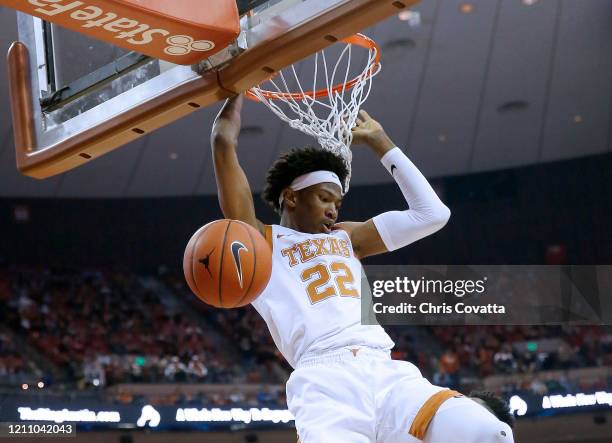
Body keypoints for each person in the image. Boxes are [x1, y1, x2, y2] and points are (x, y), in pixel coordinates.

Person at [211, 95, 515, 443]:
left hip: (385, 371)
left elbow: (433, 214)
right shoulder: (257, 243)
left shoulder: (348, 238)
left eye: (337, 204)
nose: (333, 211)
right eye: (325, 198)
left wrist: (379, 141)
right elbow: (222, 142)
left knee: (490, 433)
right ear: (291, 197)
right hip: (324, 383)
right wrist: (235, 89)